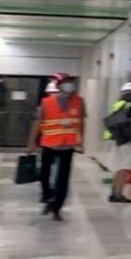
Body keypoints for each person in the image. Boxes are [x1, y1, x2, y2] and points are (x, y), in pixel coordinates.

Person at [29, 73, 85, 221]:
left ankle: (57, 207)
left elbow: (81, 121)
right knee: (44, 174)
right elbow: (37, 123)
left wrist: (81, 141)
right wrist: (31, 143)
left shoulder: (79, 102)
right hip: (49, 143)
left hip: (68, 145)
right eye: (67, 83)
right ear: (59, 86)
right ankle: (47, 195)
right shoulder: (46, 102)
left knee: (63, 178)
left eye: (71, 83)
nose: (70, 86)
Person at [101, 82, 131, 203]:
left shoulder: (117, 104)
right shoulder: (130, 106)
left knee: (118, 168)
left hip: (116, 140)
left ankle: (113, 193)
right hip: (126, 141)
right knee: (124, 168)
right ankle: (119, 195)